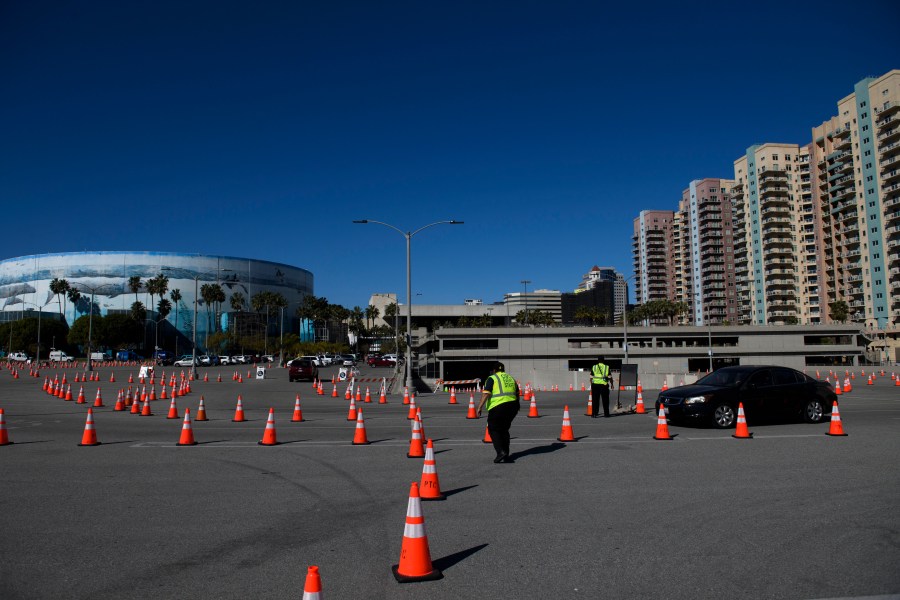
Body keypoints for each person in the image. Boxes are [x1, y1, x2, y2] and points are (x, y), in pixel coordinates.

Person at [476, 362, 520, 463]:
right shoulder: (510, 378)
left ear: (494, 370)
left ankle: (500, 452)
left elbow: (486, 393)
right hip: (512, 406)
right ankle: (506, 454)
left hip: (498, 406)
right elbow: (517, 394)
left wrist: (479, 407)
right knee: (504, 429)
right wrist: (517, 406)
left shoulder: (492, 378)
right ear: (503, 370)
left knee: (493, 428)